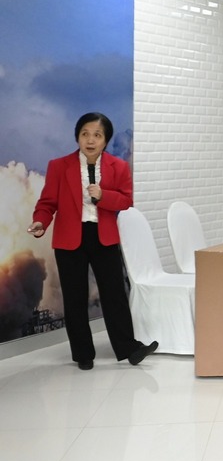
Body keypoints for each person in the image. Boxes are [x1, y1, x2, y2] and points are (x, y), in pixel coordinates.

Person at [28, 112, 158, 370]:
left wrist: (103, 195)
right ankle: (83, 354)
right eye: (85, 134)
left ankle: (129, 348)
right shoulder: (59, 166)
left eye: (97, 135)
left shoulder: (118, 167)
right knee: (74, 298)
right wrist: (41, 221)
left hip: (103, 237)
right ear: (77, 136)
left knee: (115, 295)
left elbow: (126, 200)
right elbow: (47, 203)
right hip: (70, 239)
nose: (90, 140)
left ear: (105, 140)